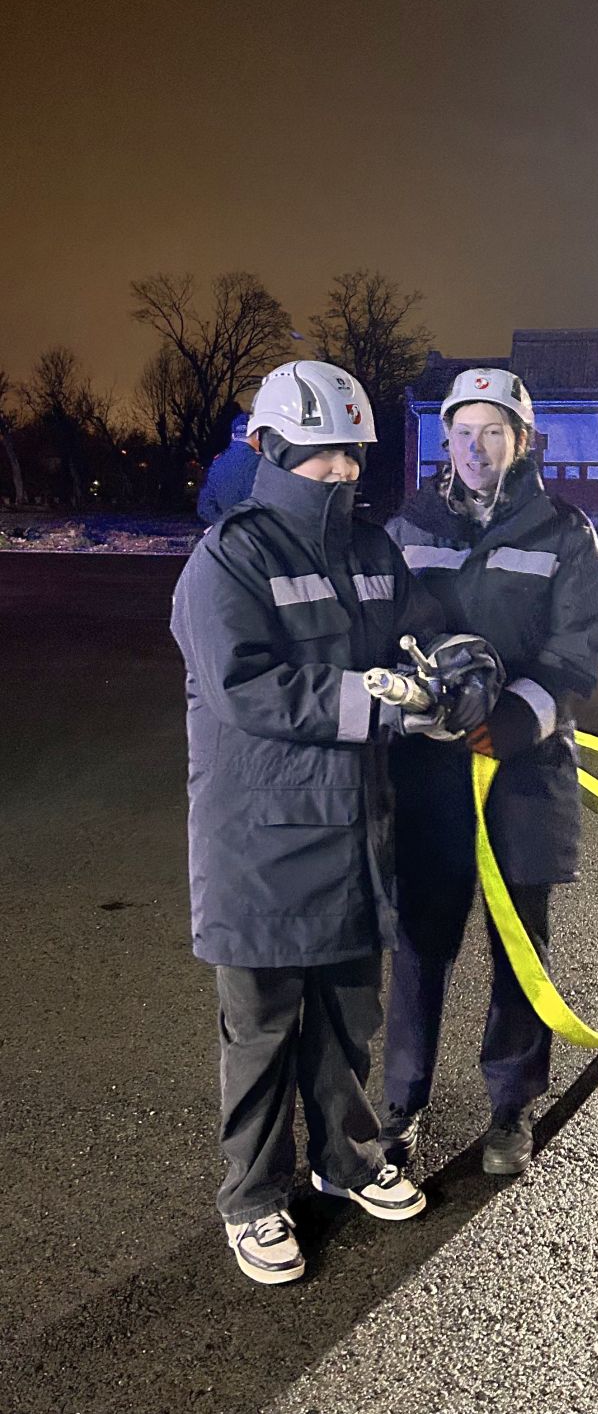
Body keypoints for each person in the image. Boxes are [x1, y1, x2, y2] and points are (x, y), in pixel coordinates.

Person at [170, 359, 490, 1287]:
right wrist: (378, 703)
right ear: (272, 451)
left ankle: (346, 1160)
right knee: (263, 1029)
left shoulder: (370, 551)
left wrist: (460, 664)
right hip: (261, 838)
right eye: (325, 455)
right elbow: (245, 686)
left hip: (354, 829)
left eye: (354, 452)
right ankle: (253, 1199)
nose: (345, 470)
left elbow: (425, 626)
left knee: (349, 1016)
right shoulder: (230, 558)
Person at [380, 367, 598, 1177]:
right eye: (462, 433)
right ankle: (400, 1106)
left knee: (519, 945)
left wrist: (514, 717)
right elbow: (378, 626)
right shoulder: (407, 525)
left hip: (522, 769)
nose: (475, 449)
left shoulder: (561, 530)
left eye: (492, 432)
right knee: (420, 944)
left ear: (520, 440)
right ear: (445, 440)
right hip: (428, 773)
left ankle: (511, 1107)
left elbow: (583, 643)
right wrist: (410, 701)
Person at [196, 413, 259, 525]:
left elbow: (204, 508)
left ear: (233, 436)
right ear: (257, 434)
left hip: (227, 533)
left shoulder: (217, 463)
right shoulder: (262, 463)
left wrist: (225, 524)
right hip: (255, 532)